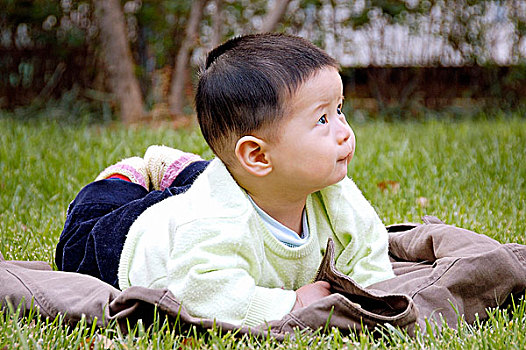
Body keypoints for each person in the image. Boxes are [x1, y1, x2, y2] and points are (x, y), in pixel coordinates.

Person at [56, 33, 395, 327]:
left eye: (339, 109)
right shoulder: (216, 220)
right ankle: (123, 178)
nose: (344, 132)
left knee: (207, 185)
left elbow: (367, 252)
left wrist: (376, 297)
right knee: (81, 238)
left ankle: (190, 172)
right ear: (258, 156)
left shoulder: (334, 193)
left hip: (219, 192)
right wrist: (291, 305)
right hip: (128, 237)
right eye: (322, 119)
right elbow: (203, 293)